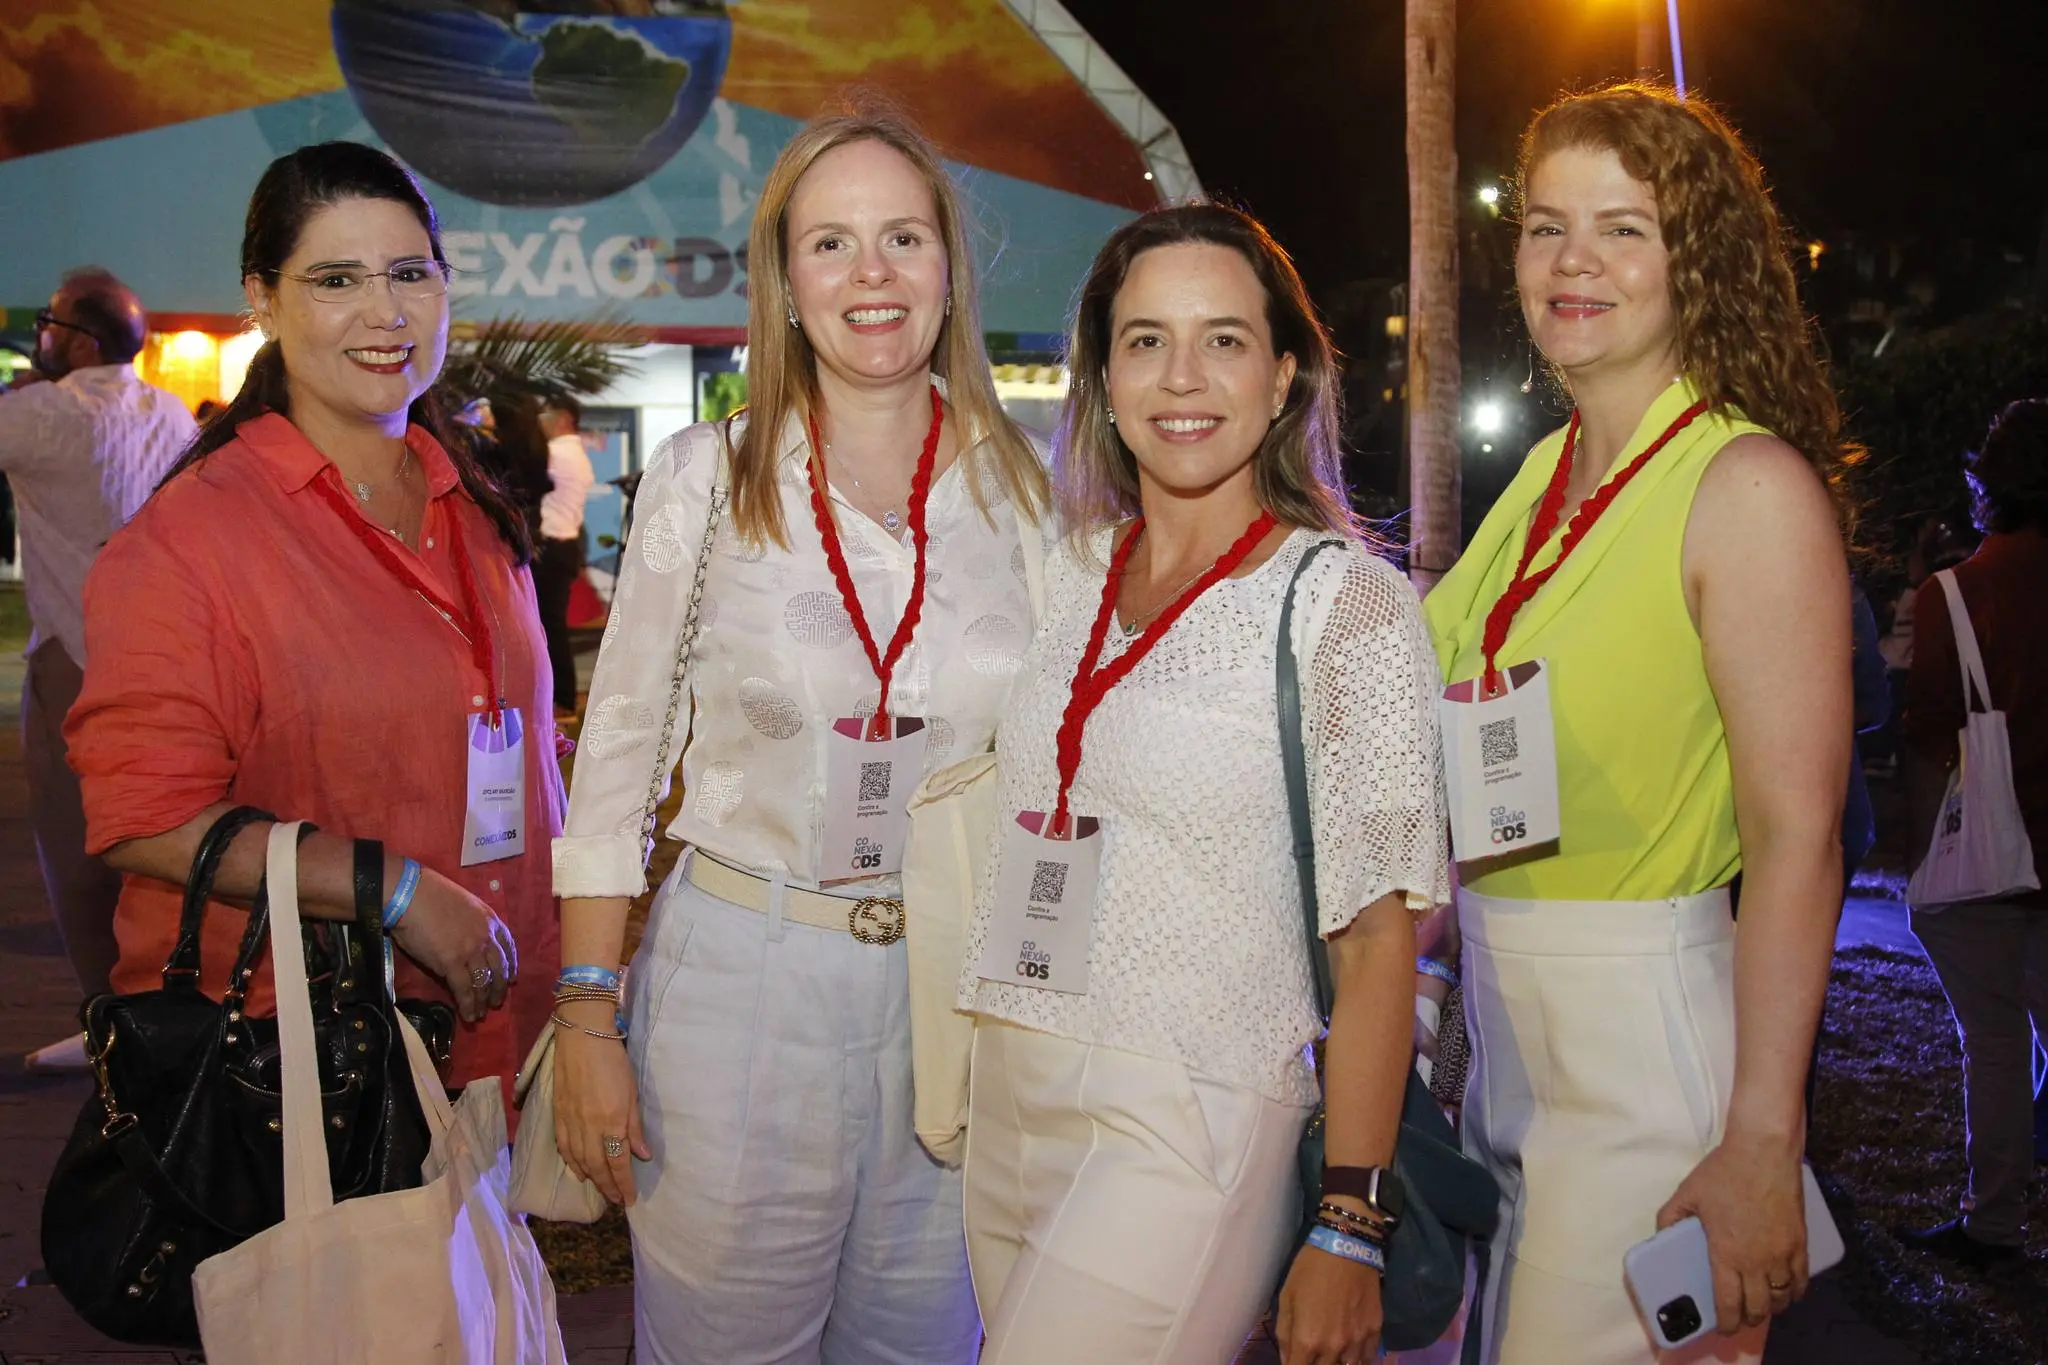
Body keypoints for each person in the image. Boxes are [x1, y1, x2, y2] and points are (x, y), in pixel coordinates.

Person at [550, 100, 1048, 1364]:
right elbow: (616, 762)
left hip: (960, 998)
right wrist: (588, 1013)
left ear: (948, 267)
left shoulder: (1033, 491)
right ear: (783, 281)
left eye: (901, 239)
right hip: (742, 984)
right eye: (831, 244)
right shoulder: (706, 477)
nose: (870, 275)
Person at [957, 203, 1449, 1365]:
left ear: (1282, 377)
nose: (1181, 377)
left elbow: (1377, 943)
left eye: (1222, 339)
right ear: (1102, 376)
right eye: (1145, 341)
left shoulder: (1344, 604)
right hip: (1011, 1085)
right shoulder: (1071, 571)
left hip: (1192, 1111)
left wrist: (1347, 1221)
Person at [1423, 85, 1855, 1363]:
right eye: (1544, 226)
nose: (1572, 262)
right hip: (1506, 1042)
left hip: (1645, 1053)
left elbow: (1796, 839)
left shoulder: (1743, 485)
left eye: (1622, 228)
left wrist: (1761, 1138)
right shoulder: (1542, 477)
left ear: (1694, 261)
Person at [64, 142, 552, 1093]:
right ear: (263, 298)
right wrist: (393, 890)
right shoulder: (193, 538)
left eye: (410, 273)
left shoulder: (473, 509)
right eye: (336, 279)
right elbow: (142, 819)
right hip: (303, 1075)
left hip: (502, 1036)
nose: (386, 312)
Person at [0, 267, 195, 1072]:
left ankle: (109, 1025)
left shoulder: (45, 412)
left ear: (80, 341)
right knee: (158, 847)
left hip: (75, 657)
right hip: (166, 661)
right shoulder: (171, 411)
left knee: (75, 853)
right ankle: (160, 1012)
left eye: (50, 322)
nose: (41, 335)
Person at [1899, 398, 2048, 1270]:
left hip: (1992, 849)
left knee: (1993, 1041)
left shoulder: (1956, 596)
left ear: (1988, 484)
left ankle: (1994, 1222)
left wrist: (1922, 855)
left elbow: (1928, 736)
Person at [537, 396, 595, 716]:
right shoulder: (575, 454)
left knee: (550, 625)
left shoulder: (558, 453)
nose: (539, 421)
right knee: (551, 624)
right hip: (562, 547)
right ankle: (562, 697)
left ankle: (562, 699)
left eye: (544, 415)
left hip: (552, 548)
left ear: (562, 419)